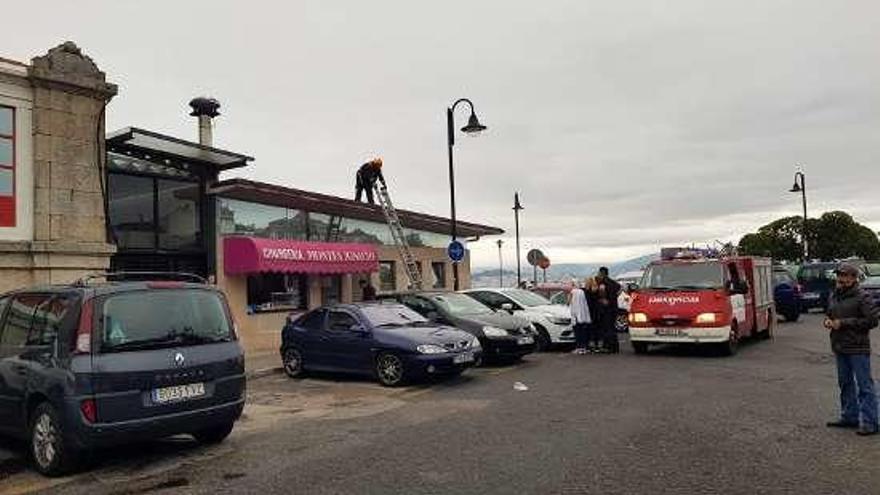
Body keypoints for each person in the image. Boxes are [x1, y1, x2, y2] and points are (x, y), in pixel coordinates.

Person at [825, 263, 880, 436]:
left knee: (865, 386)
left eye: (844, 275)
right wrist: (828, 321)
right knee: (845, 383)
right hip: (840, 346)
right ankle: (850, 417)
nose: (840, 278)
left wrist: (843, 323)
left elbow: (872, 321)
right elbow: (830, 313)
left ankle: (871, 422)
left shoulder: (863, 296)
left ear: (853, 278)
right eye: (839, 275)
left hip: (857, 347)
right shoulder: (835, 295)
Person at [595, 267, 621, 353]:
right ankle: (615, 347)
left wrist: (603, 299)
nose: (598, 274)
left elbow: (602, 290)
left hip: (606, 309)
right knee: (612, 328)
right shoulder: (613, 282)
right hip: (614, 307)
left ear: (602, 273)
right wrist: (613, 297)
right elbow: (620, 289)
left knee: (607, 328)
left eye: (599, 273)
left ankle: (608, 347)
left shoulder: (603, 282)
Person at [570, 280, 592, 355]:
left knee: (577, 332)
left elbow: (570, 302)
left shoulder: (573, 292)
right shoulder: (582, 292)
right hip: (583, 314)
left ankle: (579, 348)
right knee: (583, 332)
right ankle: (584, 347)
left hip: (576, 315)